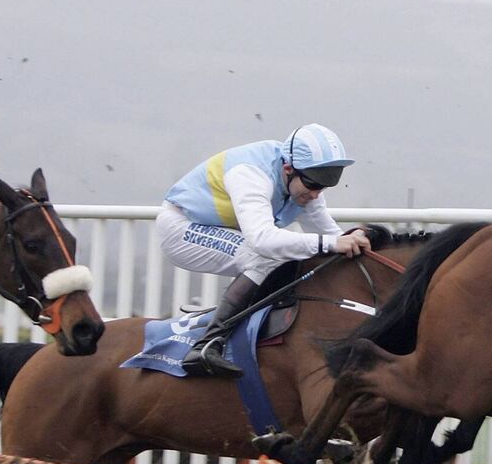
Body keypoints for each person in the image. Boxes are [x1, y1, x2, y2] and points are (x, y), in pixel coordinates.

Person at [156, 123, 371, 378]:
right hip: (182, 227)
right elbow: (262, 240)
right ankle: (207, 345)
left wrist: (354, 240)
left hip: (219, 229)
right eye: (313, 185)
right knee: (262, 257)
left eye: (323, 187)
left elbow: (329, 233)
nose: (316, 195)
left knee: (286, 256)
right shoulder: (250, 174)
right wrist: (331, 243)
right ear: (288, 169)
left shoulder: (304, 179)